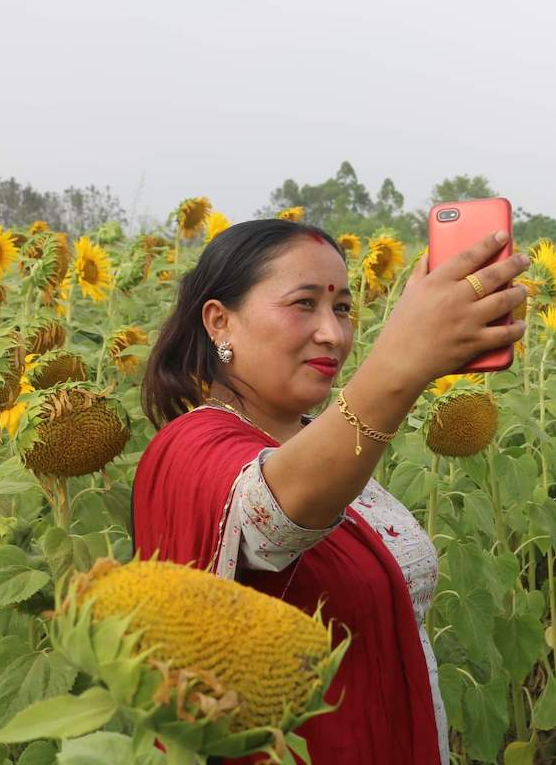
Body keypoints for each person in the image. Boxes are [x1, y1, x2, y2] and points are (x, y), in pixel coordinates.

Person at [132, 219, 528, 765]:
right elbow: (274, 513)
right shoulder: (190, 448)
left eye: (342, 308)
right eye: (304, 304)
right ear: (219, 322)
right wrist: (401, 364)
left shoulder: (320, 436)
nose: (334, 334)